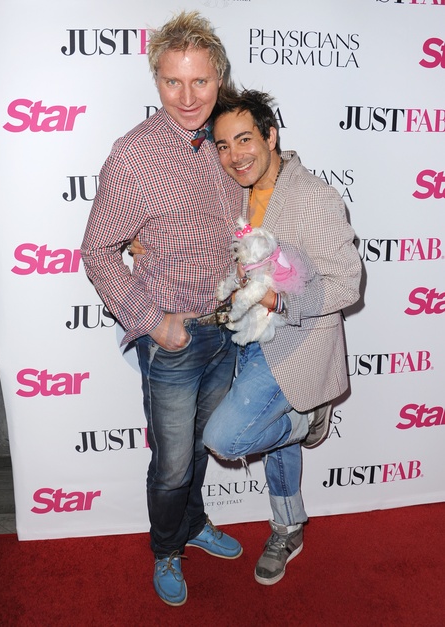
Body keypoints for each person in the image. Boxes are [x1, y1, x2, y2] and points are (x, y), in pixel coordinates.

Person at [80, 12, 244, 607]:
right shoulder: (135, 155)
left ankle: (193, 524)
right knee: (172, 463)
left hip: (229, 331)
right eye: (173, 82)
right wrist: (152, 323)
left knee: (202, 447)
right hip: (174, 340)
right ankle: (166, 549)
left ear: (219, 78)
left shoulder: (229, 142)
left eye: (200, 81)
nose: (187, 97)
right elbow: (96, 250)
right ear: (156, 81)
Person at [202, 89, 362, 585]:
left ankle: (306, 416)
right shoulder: (237, 193)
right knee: (272, 430)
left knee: (224, 438)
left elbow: (347, 283)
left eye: (244, 139)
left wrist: (278, 301)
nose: (234, 155)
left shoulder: (314, 196)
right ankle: (288, 527)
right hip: (245, 338)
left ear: (270, 136)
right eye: (223, 145)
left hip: (296, 342)